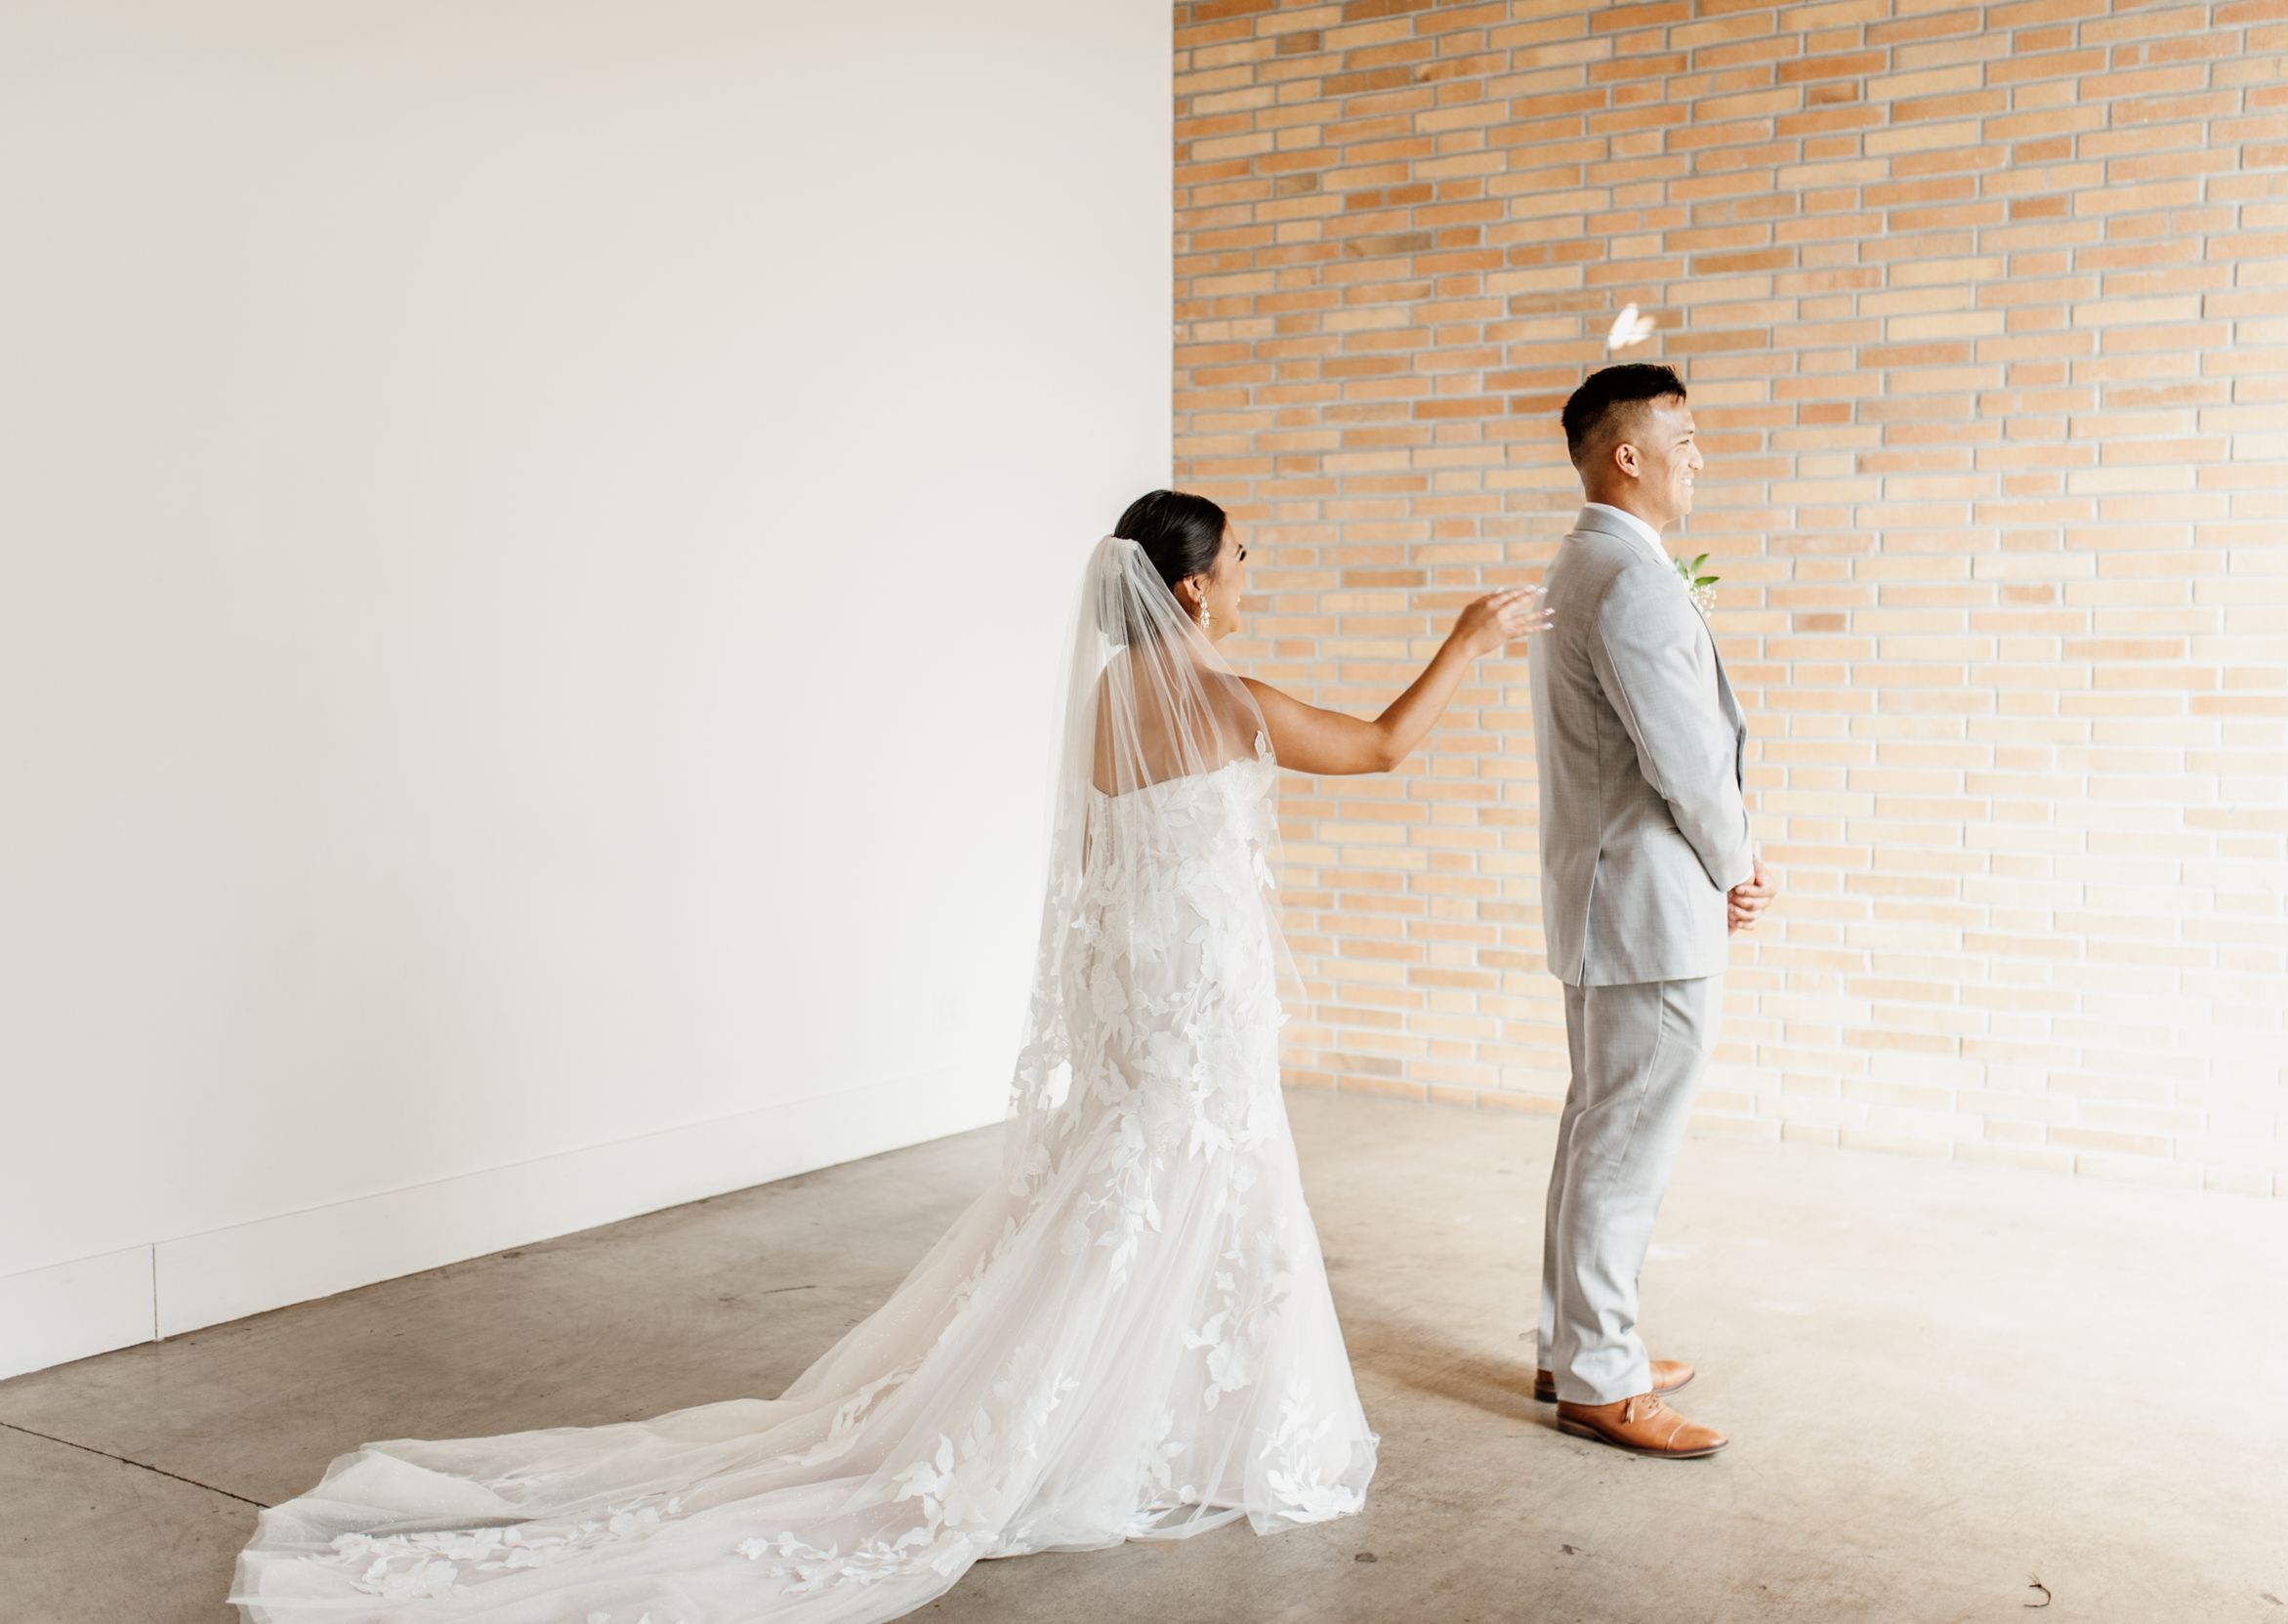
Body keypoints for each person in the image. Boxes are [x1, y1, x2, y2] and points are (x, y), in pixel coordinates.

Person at [227, 489, 1547, 1623]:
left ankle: (1133, 1408)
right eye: (1242, 557)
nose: (1253, 573)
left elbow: (1109, 869)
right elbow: (1382, 745)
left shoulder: (1106, 702)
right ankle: (1145, 1426)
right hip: (1202, 1003)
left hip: (1150, 998)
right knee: (1202, 1186)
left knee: (1140, 1195)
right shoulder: (1224, 701)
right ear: (1194, 586)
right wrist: (1467, 640)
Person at [1528, 363, 1779, 1461]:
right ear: (1626, 456)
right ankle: (1600, 1374)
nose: (1699, 458)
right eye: (1684, 441)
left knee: (1600, 1127)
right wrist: (1738, 864)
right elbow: (1684, 757)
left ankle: (1573, 1344)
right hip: (1645, 905)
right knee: (1625, 1143)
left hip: (1607, 901)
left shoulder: (1582, 561)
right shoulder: (1629, 578)